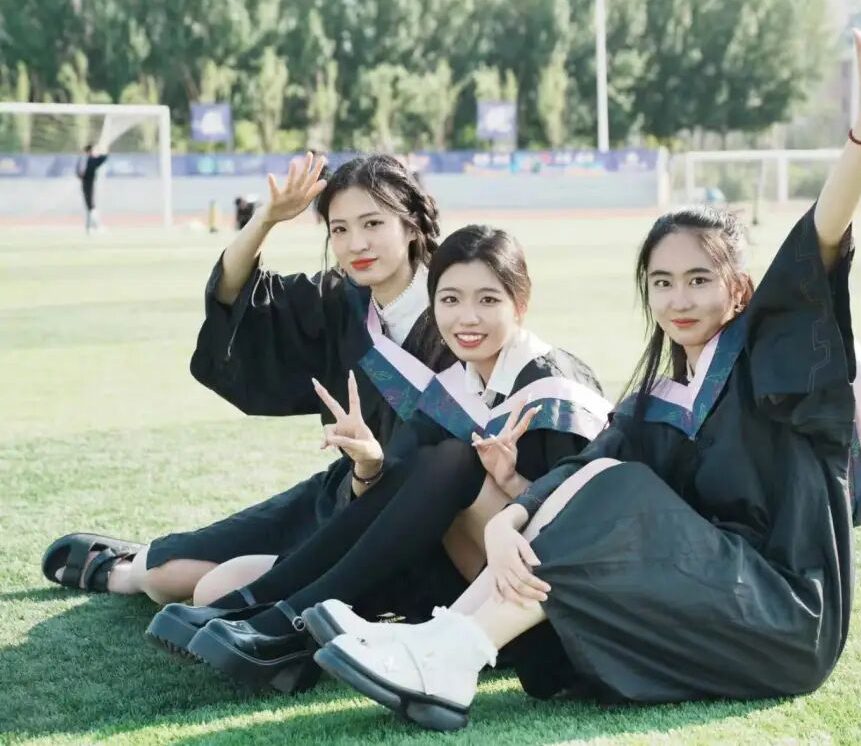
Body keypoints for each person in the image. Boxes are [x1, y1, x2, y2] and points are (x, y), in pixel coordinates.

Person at [306, 8, 861, 732]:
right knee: (603, 476)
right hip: (706, 601)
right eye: (662, 282)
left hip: (784, 618)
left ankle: (450, 651)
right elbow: (585, 471)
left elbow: (823, 236)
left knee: (617, 486)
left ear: (740, 288)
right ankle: (444, 645)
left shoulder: (774, 359)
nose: (679, 299)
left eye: (700, 280)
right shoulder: (654, 401)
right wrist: (509, 518)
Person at [151, 225, 610, 694]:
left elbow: (588, 534)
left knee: (455, 461)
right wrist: (370, 464)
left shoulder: (556, 386)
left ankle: (283, 622)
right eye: (450, 300)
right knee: (423, 471)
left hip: (553, 617)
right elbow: (388, 501)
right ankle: (270, 609)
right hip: (467, 585)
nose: (467, 318)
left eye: (488, 300)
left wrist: (513, 486)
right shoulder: (461, 384)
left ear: (521, 303)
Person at [42, 152, 455, 606]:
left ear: (410, 225)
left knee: (214, 591)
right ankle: (129, 569)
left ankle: (144, 571)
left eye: (372, 224)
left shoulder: (458, 306)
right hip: (350, 493)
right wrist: (267, 219)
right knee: (163, 577)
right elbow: (237, 294)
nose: (356, 244)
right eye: (339, 229)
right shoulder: (341, 301)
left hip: (423, 524)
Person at [77, 143, 108, 234]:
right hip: (88, 184)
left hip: (85, 184)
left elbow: (78, 173)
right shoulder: (90, 160)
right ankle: (95, 227)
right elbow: (103, 158)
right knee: (91, 206)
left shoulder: (83, 159)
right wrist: (103, 151)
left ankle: (90, 227)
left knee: (89, 206)